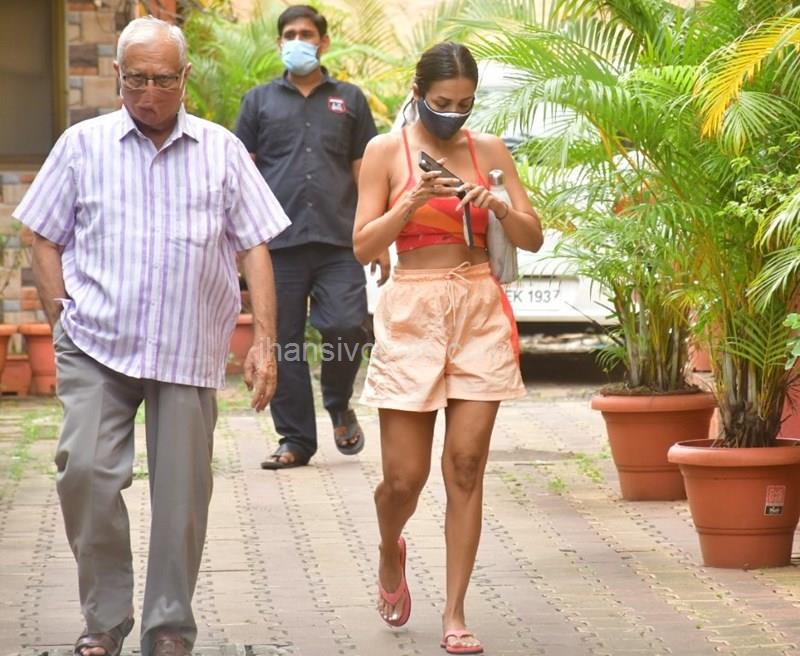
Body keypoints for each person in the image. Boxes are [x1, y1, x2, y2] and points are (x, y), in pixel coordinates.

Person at [13, 16, 289, 656]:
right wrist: (61, 318)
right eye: (135, 78)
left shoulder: (221, 150)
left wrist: (266, 341)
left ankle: (168, 627)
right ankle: (105, 619)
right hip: (97, 341)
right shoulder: (82, 145)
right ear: (117, 74)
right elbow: (41, 233)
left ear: (184, 77)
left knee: (181, 497)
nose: (148, 93)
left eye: (163, 79)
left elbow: (254, 246)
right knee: (83, 472)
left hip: (187, 345)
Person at [352, 42, 543, 655]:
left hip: (478, 306)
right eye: (442, 102)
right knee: (402, 480)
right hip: (412, 309)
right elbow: (363, 245)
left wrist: (500, 206)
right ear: (418, 92)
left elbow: (533, 237)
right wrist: (408, 202)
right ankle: (390, 548)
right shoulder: (385, 152)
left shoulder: (489, 150)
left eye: (464, 104)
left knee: (464, 465)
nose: (453, 114)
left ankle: (455, 613)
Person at [235, 4, 385, 470]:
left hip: (340, 240)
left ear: (323, 42)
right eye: (290, 34)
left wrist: (377, 237)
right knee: (284, 341)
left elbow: (365, 173)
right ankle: (295, 439)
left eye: (307, 33)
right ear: (279, 42)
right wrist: (238, 241)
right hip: (276, 244)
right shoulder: (258, 102)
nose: (298, 41)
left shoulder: (350, 100)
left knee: (346, 327)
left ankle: (338, 401)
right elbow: (242, 173)